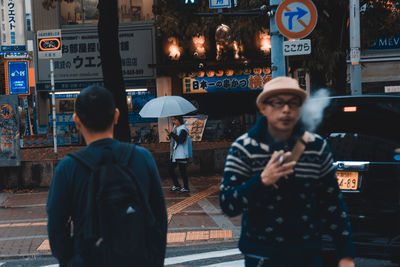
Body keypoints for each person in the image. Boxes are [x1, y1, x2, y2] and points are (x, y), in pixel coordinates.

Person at [219, 76, 355, 267]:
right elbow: (228, 203)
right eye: (278, 103)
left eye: (293, 103)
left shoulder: (316, 146)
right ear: (263, 108)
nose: (286, 110)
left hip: (307, 256)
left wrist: (345, 254)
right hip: (261, 257)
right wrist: (262, 180)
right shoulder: (244, 148)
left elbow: (332, 203)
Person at [47, 85, 167, 266]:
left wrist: (72, 260)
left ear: (76, 120)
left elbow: (56, 228)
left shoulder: (67, 168)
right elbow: (159, 218)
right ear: (116, 116)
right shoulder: (142, 158)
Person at [165, 115, 191, 193]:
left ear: (179, 120)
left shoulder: (183, 129)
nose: (174, 122)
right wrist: (170, 135)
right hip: (176, 154)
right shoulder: (176, 128)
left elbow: (181, 140)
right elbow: (175, 139)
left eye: (174, 120)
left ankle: (186, 187)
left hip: (182, 154)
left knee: (182, 171)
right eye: (173, 120)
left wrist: (172, 134)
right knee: (170, 169)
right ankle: (177, 185)